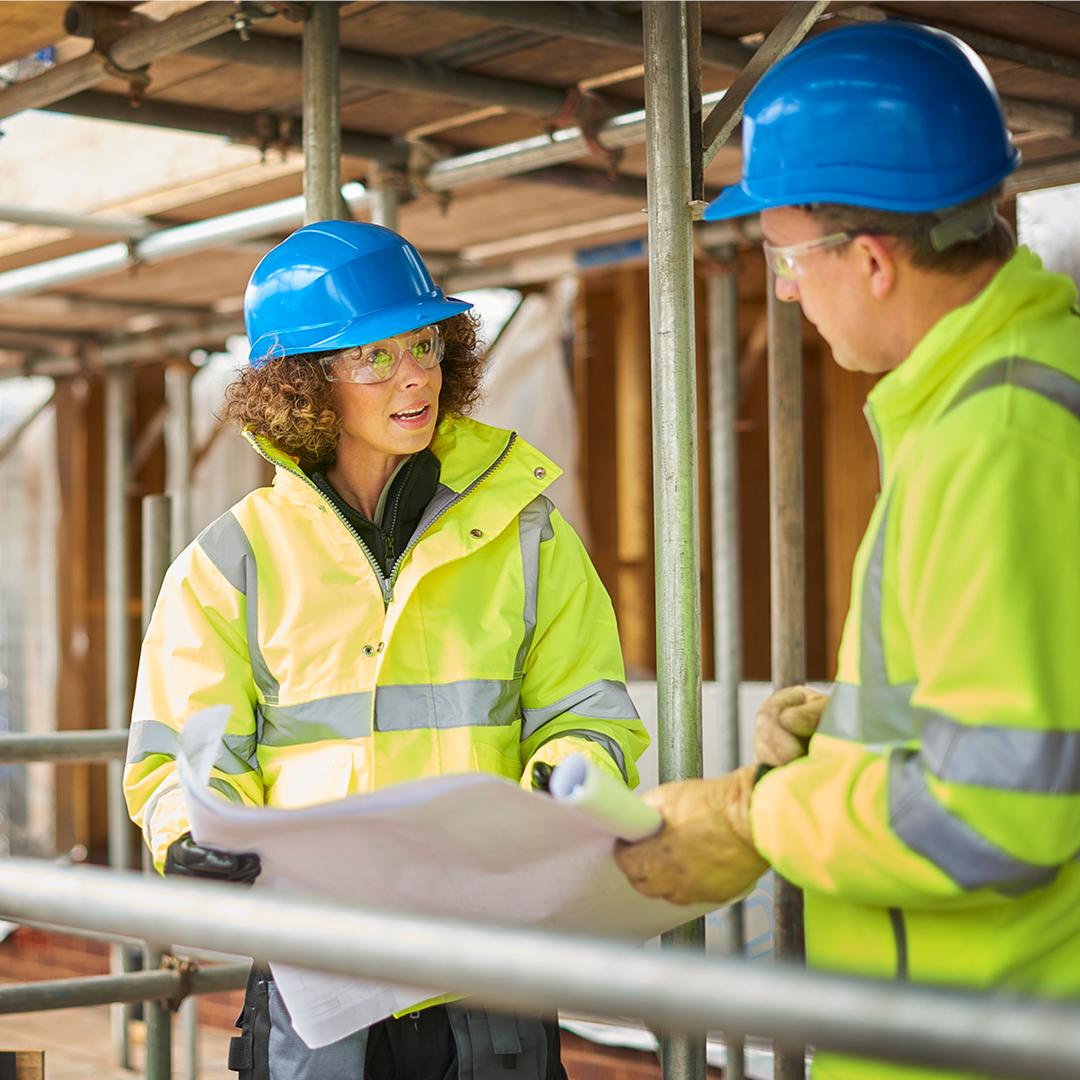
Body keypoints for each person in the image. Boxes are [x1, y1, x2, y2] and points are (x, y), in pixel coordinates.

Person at [616, 20, 1080, 1080]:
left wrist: (754, 815)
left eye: (785, 257)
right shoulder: (1014, 397)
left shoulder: (996, 441)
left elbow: (996, 812)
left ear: (870, 261)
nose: (783, 290)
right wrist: (862, 734)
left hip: (979, 1044)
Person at [123, 219, 650, 1080]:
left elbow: (589, 712)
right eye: (372, 356)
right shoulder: (231, 561)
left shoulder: (529, 536)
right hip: (319, 979)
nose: (415, 377)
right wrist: (191, 834)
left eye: (425, 343)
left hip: (489, 963)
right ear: (301, 384)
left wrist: (565, 781)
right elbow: (180, 759)